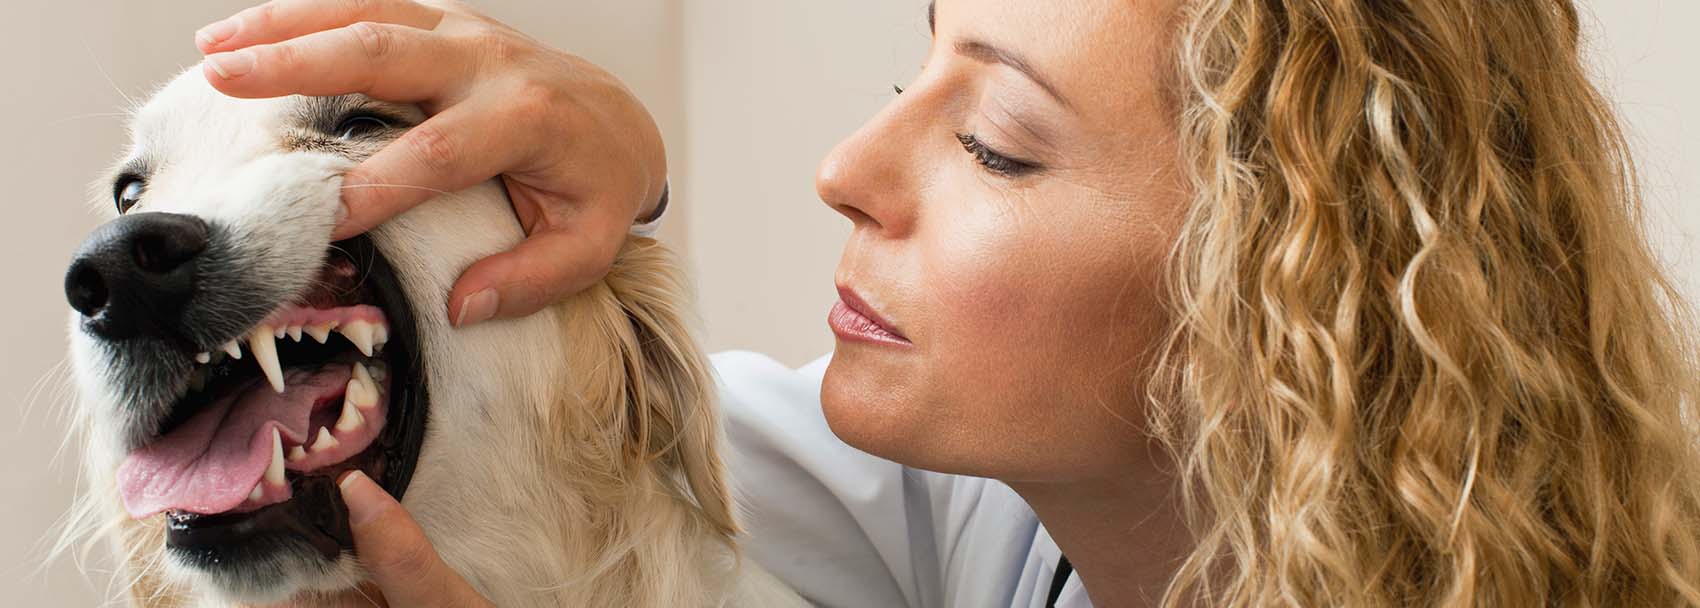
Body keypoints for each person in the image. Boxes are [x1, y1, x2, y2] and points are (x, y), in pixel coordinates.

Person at [193, 0, 1700, 606]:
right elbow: (565, 455)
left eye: (997, 143)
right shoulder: (956, 526)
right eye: (908, 70)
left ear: (1277, 294)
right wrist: (603, 187)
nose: (847, 168)